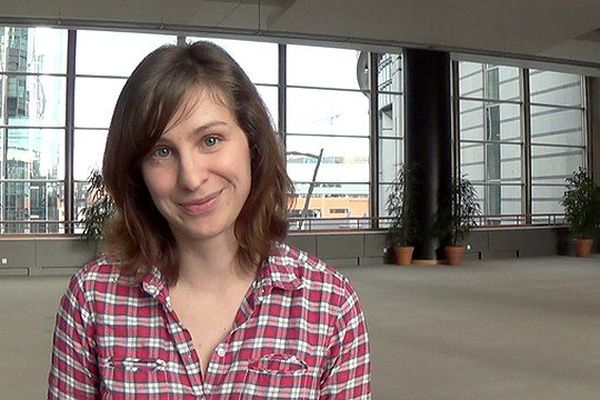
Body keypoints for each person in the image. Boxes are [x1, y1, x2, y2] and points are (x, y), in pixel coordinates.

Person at [48, 41, 371, 399]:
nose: (191, 176)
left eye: (211, 140)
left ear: (252, 144)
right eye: (162, 151)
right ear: (136, 171)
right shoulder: (92, 299)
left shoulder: (331, 306)